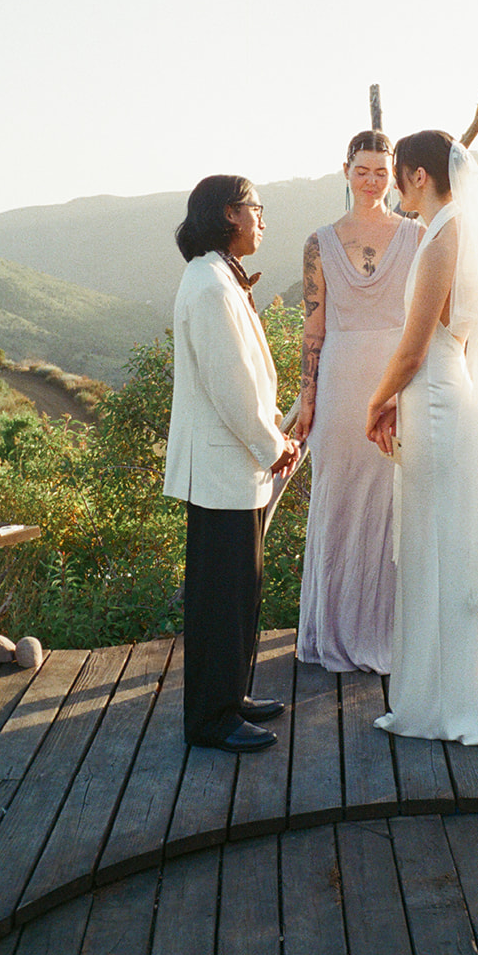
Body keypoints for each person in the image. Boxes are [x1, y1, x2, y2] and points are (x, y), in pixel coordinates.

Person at [366, 131, 478, 748]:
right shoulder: (451, 227)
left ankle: (449, 707)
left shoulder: (443, 233)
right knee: (436, 547)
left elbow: (414, 348)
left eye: (398, 175)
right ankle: (440, 701)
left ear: (416, 176)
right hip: (439, 394)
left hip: (435, 399)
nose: (394, 187)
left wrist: (376, 401)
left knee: (437, 549)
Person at [164, 175, 298, 752]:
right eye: (256, 209)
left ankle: (230, 694)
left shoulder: (215, 275)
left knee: (239, 589)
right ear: (228, 214)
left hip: (229, 468)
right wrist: (275, 445)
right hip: (222, 467)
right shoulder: (212, 286)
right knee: (220, 597)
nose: (263, 220)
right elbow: (232, 387)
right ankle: (211, 719)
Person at [295, 131, 422, 672]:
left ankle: (391, 632)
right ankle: (337, 629)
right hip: (343, 381)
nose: (371, 180)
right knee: (339, 498)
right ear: (345, 170)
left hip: (398, 382)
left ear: (393, 172)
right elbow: (312, 329)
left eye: (380, 170)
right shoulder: (318, 241)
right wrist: (307, 397)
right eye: (361, 170)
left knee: (396, 501)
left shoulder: (416, 237)